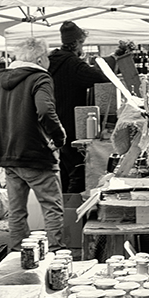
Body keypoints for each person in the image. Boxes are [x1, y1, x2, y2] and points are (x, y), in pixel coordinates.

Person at [0, 38, 66, 252]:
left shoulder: (3, 80)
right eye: (46, 57)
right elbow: (45, 110)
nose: (48, 61)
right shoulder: (40, 78)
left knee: (16, 211)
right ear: (39, 58)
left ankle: (18, 254)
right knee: (51, 207)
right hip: (36, 154)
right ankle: (56, 253)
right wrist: (59, 137)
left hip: (8, 156)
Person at [47, 20, 121, 194]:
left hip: (51, 123)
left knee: (62, 171)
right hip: (71, 125)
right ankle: (73, 209)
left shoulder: (51, 61)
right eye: (82, 43)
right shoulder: (73, 64)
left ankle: (64, 208)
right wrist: (114, 60)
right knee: (77, 171)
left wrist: (111, 58)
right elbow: (99, 76)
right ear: (77, 43)